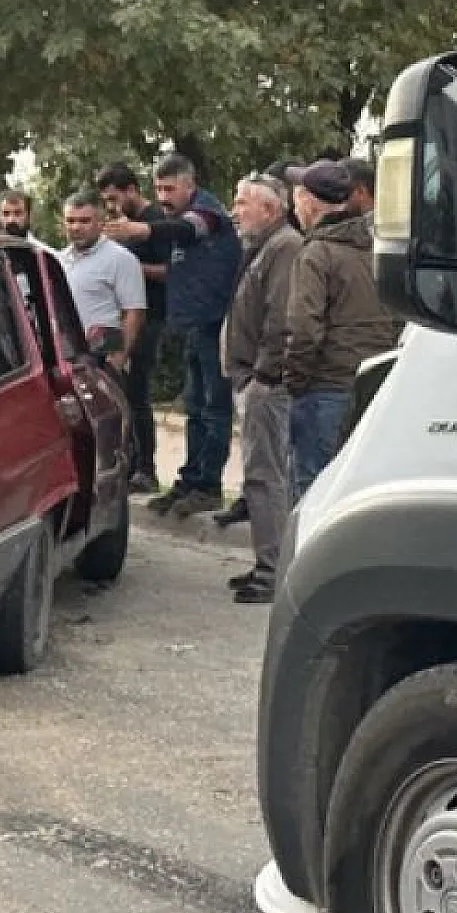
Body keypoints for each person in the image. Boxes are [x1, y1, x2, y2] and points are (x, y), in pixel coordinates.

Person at [104, 153, 241, 518]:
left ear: (189, 184)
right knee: (195, 406)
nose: (162, 197)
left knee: (214, 408)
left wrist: (142, 231)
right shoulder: (177, 217)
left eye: (169, 188)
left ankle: (208, 485)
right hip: (194, 326)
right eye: (158, 188)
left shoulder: (207, 213)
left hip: (215, 325)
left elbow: (187, 230)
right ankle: (190, 481)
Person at [283, 159, 400, 502]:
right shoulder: (378, 249)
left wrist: (295, 379)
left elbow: (304, 329)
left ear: (309, 202)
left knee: (313, 491)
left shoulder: (317, 253)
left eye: (298, 194)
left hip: (325, 387)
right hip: (372, 383)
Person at [222, 174, 302, 604]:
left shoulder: (284, 247)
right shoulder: (265, 246)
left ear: (269, 209)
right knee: (262, 473)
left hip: (266, 383)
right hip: (254, 377)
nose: (234, 210)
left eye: (242, 203)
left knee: (265, 475)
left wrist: (262, 377)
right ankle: (267, 562)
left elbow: (280, 318)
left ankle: (273, 570)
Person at [94, 162, 170, 492]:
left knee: (137, 392)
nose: (111, 207)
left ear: (131, 191)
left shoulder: (154, 221)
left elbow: (168, 271)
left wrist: (129, 267)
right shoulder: (117, 225)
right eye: (106, 201)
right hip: (118, 318)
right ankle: (125, 463)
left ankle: (146, 469)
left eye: (114, 199)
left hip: (149, 317)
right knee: (116, 391)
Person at [57, 189, 145, 375]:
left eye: (84, 221)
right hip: (69, 361)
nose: (76, 227)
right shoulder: (59, 261)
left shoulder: (121, 259)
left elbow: (134, 314)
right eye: (71, 221)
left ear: (100, 223)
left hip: (105, 359)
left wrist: (116, 363)